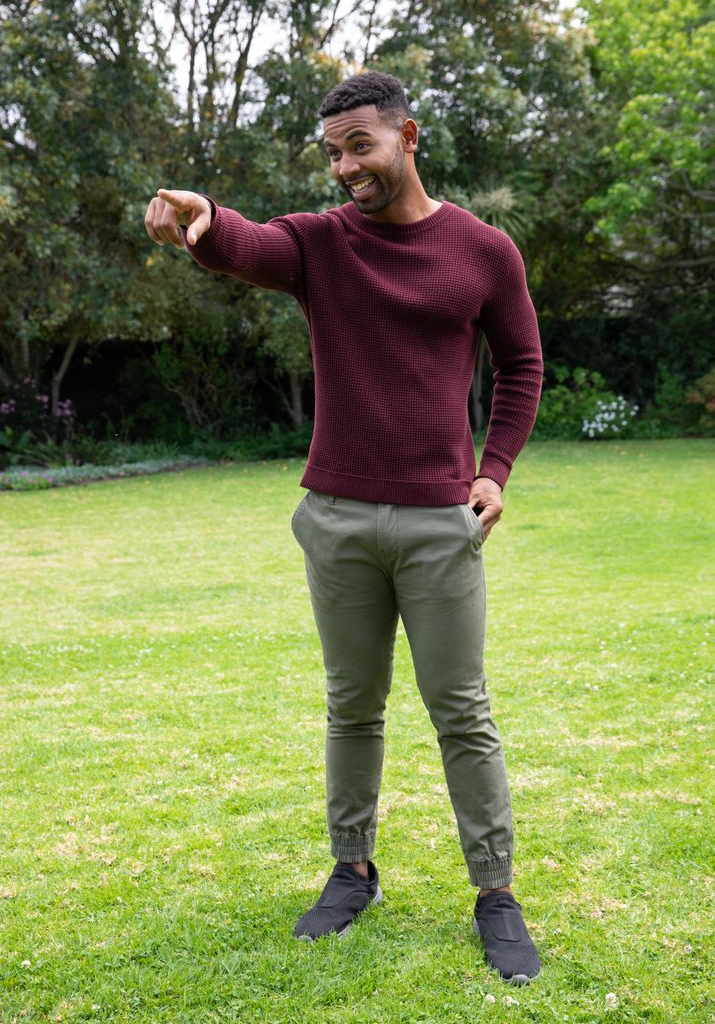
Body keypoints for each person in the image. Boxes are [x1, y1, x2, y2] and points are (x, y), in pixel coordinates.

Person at [144, 71, 544, 984]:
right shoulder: (321, 244)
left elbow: (522, 367)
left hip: (441, 524)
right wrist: (202, 213)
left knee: (463, 715)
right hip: (335, 519)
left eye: (358, 145)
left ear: (408, 135)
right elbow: (247, 244)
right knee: (351, 707)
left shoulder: (484, 250)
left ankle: (495, 893)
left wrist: (496, 471)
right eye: (330, 152)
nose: (343, 167)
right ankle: (352, 870)